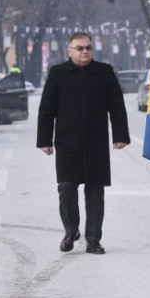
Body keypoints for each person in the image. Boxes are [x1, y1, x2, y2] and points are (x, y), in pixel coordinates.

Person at [37, 31, 130, 255]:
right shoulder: (58, 73)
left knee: (95, 192)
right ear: (70, 51)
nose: (85, 51)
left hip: (96, 142)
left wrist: (120, 135)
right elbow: (47, 109)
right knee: (67, 188)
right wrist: (44, 140)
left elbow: (116, 105)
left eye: (88, 47)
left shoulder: (104, 72)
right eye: (80, 48)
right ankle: (71, 231)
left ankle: (93, 240)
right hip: (67, 143)